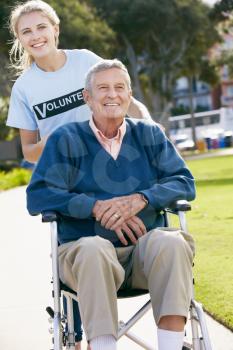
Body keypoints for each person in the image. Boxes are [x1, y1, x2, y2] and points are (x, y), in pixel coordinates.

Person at [6, 1, 151, 348]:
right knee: (77, 250)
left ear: (55, 29)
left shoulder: (86, 60)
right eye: (27, 31)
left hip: (113, 163)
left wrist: (150, 127)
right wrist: (64, 135)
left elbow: (124, 98)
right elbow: (28, 151)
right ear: (20, 40)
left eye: (41, 27)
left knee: (142, 228)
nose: (36, 36)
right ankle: (77, 336)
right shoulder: (24, 89)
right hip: (67, 175)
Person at [26, 59, 196, 350]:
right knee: (94, 249)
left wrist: (141, 199)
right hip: (83, 256)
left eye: (120, 87)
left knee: (172, 242)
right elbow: (39, 194)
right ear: (87, 98)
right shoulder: (65, 139)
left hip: (143, 257)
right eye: (102, 88)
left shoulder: (149, 134)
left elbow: (184, 182)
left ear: (129, 96)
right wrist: (95, 207)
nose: (112, 94)